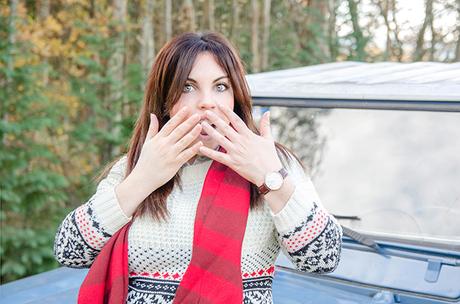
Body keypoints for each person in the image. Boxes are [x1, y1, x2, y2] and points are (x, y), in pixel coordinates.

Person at [53, 31, 343, 304]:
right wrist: (143, 178)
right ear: (166, 101)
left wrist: (268, 177)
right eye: (188, 87)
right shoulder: (132, 167)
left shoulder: (274, 162)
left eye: (220, 86)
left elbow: (324, 258)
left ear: (235, 96)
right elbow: (69, 251)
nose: (207, 103)